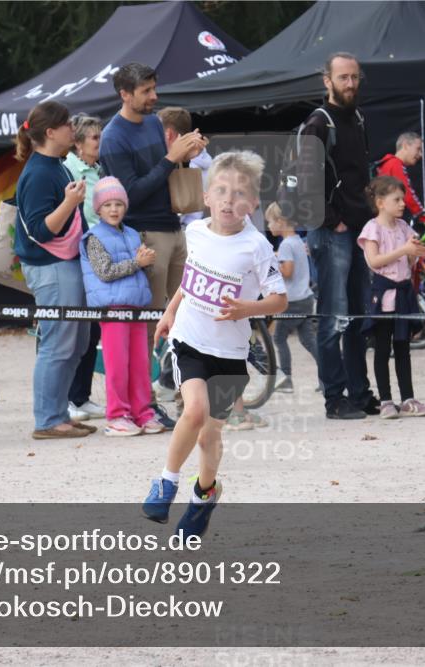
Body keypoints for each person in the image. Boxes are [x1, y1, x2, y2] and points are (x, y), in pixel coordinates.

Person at [143, 150, 287, 537]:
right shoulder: (194, 232)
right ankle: (165, 482)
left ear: (252, 204)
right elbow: (190, 277)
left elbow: (279, 299)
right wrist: (171, 310)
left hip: (230, 353)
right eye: (221, 190)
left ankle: (205, 494)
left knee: (210, 435)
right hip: (190, 340)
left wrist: (246, 309)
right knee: (194, 412)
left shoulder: (256, 247)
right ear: (206, 196)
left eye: (239, 194)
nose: (228, 199)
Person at [99, 63, 207, 430]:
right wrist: (170, 158)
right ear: (124, 94)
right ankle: (140, 404)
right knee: (148, 324)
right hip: (146, 233)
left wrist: (187, 154)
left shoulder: (151, 124)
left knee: (187, 315)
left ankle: (185, 393)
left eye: (153, 88)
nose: (154, 96)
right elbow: (129, 193)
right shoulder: (113, 137)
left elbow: (164, 175)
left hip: (175, 227)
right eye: (146, 91)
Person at [298, 52, 379, 420]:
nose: (351, 84)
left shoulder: (359, 118)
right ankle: (334, 397)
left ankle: (359, 392)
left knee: (358, 317)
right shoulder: (318, 123)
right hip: (333, 233)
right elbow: (302, 180)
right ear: (327, 81)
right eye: (343, 78)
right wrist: (333, 221)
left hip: (361, 229)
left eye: (355, 76)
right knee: (333, 317)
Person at [13, 101, 95, 440]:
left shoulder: (54, 166)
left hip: (64, 264)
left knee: (75, 342)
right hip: (51, 267)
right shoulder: (37, 173)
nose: (72, 131)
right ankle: (47, 419)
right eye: (66, 125)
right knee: (58, 343)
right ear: (50, 132)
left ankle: (59, 413)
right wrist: (69, 203)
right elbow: (41, 230)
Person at [79, 177, 164, 436]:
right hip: (113, 310)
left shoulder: (131, 233)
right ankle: (117, 415)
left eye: (118, 204)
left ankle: (142, 412)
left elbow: (138, 267)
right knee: (117, 365)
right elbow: (104, 272)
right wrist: (138, 263)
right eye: (107, 205)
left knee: (140, 363)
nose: (114, 209)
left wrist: (146, 261)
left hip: (136, 307)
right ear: (98, 209)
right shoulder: (93, 237)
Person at [358, 176, 425, 419]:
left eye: (403, 199)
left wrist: (415, 253)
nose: (403, 204)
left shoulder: (404, 227)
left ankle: (408, 398)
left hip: (403, 294)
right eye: (397, 199)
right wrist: (404, 250)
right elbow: (374, 261)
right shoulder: (373, 228)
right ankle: (387, 400)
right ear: (380, 202)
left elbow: (410, 257)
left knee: (403, 348)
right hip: (383, 297)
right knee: (382, 349)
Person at [62, 114, 106, 422]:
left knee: (91, 330)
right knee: (72, 331)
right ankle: (65, 398)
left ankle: (82, 395)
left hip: (99, 256)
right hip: (76, 257)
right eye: (94, 138)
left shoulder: (99, 170)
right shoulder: (68, 171)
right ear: (77, 143)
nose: (99, 143)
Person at [266, 202, 318, 393]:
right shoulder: (297, 241)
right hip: (305, 297)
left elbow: (287, 271)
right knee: (308, 340)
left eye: (270, 222)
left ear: (281, 221)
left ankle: (286, 379)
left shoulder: (286, 245)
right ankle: (326, 376)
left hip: (293, 301)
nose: (269, 226)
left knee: (278, 338)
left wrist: (271, 267)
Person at [158, 106, 213, 227]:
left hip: (189, 236)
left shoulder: (181, 165)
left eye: (156, 131)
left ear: (168, 134)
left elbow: (180, 212)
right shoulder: (208, 164)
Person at [375, 132, 425, 220]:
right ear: (405, 146)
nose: (420, 154)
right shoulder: (395, 164)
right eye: (418, 149)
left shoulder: (388, 163)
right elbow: (407, 193)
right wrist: (423, 216)